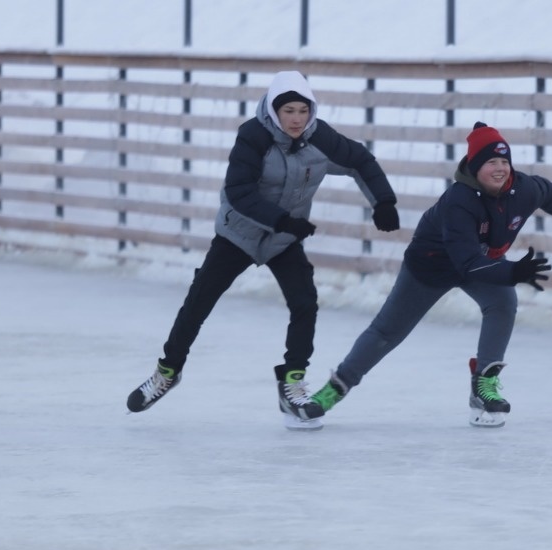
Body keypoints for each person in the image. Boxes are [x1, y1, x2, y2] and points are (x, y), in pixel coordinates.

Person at [126, 70, 400, 430]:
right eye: (288, 110)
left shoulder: (320, 136)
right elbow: (238, 191)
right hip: (239, 234)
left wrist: (383, 201)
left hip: (284, 240)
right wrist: (283, 220)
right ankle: (168, 371)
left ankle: (292, 381)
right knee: (199, 301)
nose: (297, 119)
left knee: (304, 301)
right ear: (273, 110)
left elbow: (360, 160)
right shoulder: (253, 137)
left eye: (303, 110)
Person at [309, 121, 552, 427]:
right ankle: (335, 388)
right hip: (433, 267)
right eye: (491, 162)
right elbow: (467, 261)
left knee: (502, 305)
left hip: (480, 262)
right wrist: (512, 271)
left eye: (504, 161)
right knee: (387, 332)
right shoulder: (459, 201)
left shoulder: (523, 189)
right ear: (474, 166)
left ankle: (484, 385)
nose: (500, 169)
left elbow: (547, 192)